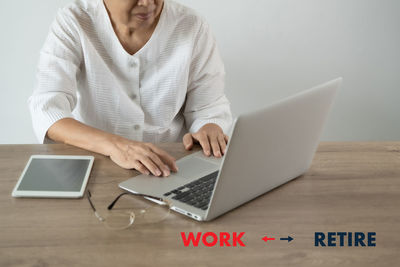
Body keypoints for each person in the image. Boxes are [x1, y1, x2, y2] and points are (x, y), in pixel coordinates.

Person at [28, 0, 232, 177]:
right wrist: (116, 146)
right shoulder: (74, 21)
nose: (147, 3)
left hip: (169, 167)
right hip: (95, 163)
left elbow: (208, 106)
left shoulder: (191, 26)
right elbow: (48, 108)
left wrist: (209, 128)